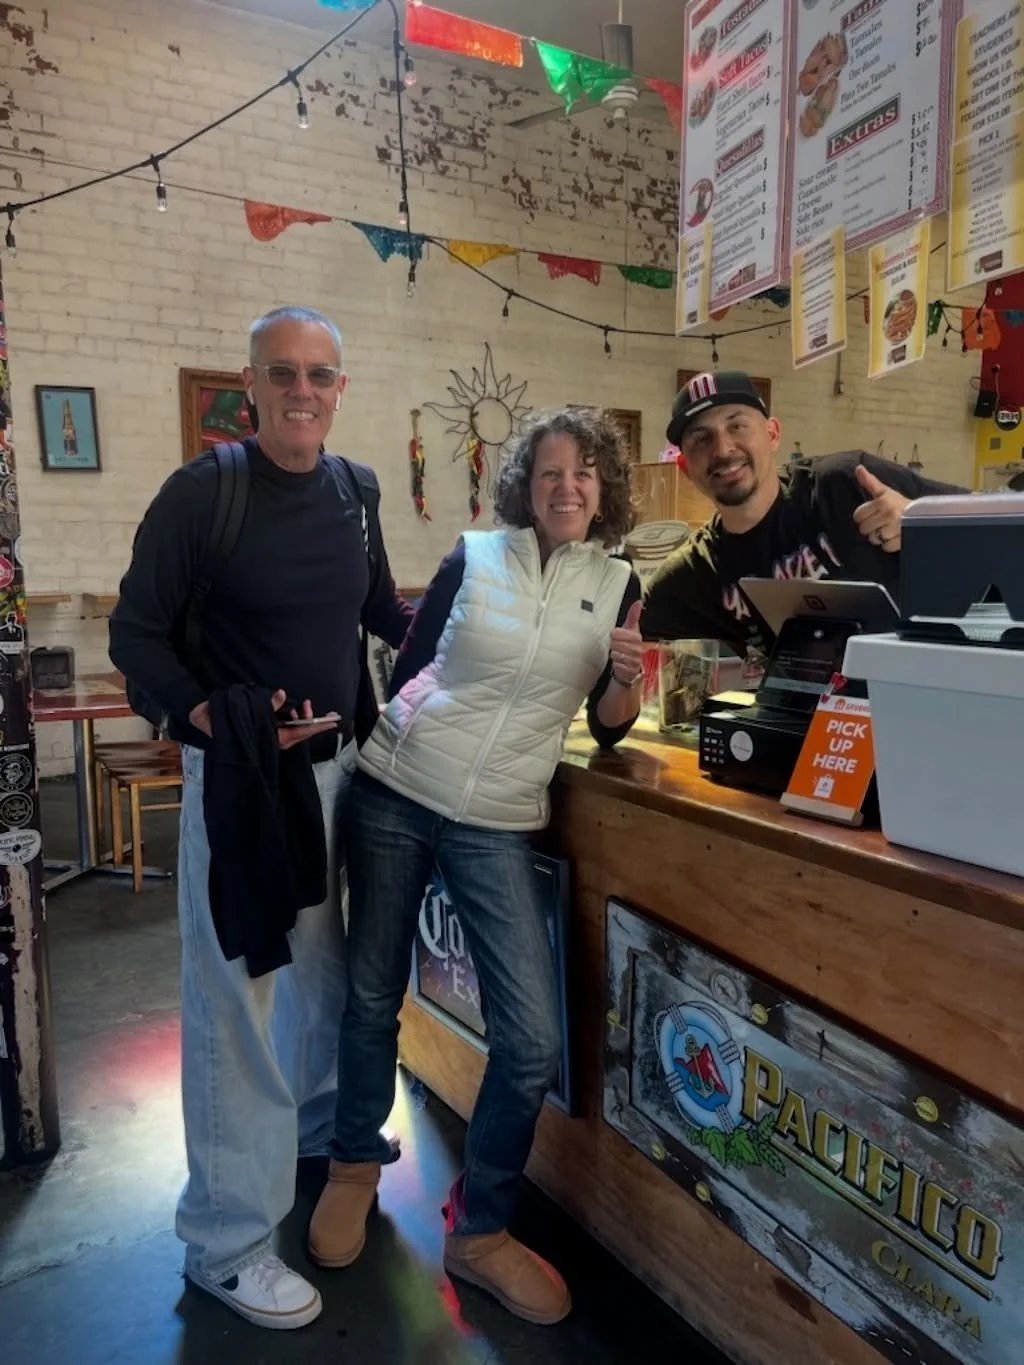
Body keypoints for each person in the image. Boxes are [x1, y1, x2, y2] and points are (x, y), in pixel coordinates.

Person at [109, 306, 412, 1331]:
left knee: (321, 979)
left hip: (337, 776)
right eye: (283, 373)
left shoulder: (357, 493)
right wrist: (202, 715)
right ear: (251, 386)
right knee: (238, 997)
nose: (302, 391)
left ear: (339, 388)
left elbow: (384, 616)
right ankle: (227, 1242)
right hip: (237, 781)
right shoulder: (206, 493)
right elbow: (134, 632)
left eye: (321, 376)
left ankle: (317, 1139)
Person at [307, 408, 644, 1325]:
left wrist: (626, 677)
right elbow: (411, 664)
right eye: (547, 473)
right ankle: (349, 1165)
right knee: (373, 994)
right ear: (524, 488)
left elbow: (610, 722)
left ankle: (481, 1229)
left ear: (604, 486)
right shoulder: (474, 555)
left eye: (582, 473)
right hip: (397, 793)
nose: (565, 486)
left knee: (532, 1037)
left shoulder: (619, 583)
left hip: (497, 821)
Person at [642, 370, 966, 657]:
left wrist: (923, 521)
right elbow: (634, 640)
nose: (723, 449)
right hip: (800, 719)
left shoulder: (846, 483)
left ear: (772, 434)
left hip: (924, 695)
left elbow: (1005, 521)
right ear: (684, 466)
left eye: (737, 426)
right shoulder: (694, 575)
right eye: (701, 439)